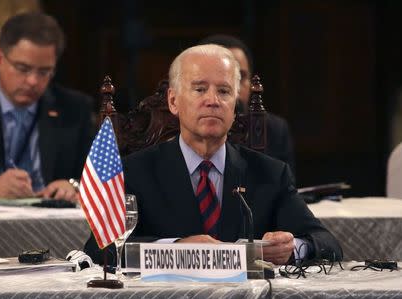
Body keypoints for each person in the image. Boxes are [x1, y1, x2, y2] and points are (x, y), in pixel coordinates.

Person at [84, 44, 342, 265]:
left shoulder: (270, 174)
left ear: (234, 107)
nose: (213, 100)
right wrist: (174, 249)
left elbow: (328, 243)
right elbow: (99, 251)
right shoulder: (134, 172)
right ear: (173, 101)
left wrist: (292, 248)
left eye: (224, 91)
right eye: (199, 89)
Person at [0, 12, 93, 202]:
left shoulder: (75, 109)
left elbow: (99, 176)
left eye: (44, 72)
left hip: (52, 223)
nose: (33, 81)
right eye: (23, 69)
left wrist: (72, 184)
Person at [199, 34, 296, 174]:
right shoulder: (179, 130)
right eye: (221, 78)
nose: (233, 89)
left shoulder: (275, 130)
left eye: (240, 77)